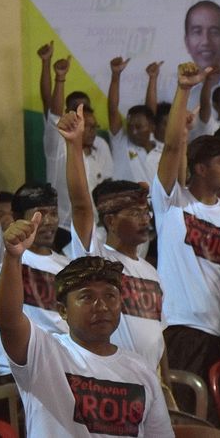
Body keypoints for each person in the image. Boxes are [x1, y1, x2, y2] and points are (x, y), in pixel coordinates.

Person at [0, 216, 173, 437]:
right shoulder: (44, 353)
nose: (102, 306)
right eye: (87, 297)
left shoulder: (142, 370)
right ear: (63, 311)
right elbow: (8, 320)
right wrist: (12, 258)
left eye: (110, 296)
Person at [153, 62, 220, 419]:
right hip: (183, 328)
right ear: (199, 167)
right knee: (188, 424)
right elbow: (170, 151)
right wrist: (184, 89)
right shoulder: (173, 205)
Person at [0, 113, 70, 385]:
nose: (49, 221)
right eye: (40, 213)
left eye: (53, 213)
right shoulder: (3, 254)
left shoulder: (67, 266)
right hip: (12, 372)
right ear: (19, 217)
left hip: (60, 370)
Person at [59, 105, 166, 372]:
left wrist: (166, 387)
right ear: (110, 221)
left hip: (148, 381)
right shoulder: (96, 259)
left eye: (145, 213)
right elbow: (82, 205)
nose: (146, 219)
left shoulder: (150, 271)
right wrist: (74, 145)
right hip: (107, 377)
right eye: (134, 213)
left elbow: (158, 338)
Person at [41, 47, 113, 246]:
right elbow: (53, 113)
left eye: (93, 127)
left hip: (96, 230)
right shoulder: (59, 146)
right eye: (85, 126)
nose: (90, 131)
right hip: (64, 229)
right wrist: (60, 78)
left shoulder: (100, 147)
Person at [106, 56, 163, 186]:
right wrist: (116, 75)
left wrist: (153, 78)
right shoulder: (121, 142)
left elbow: (150, 111)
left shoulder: (162, 150)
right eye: (130, 126)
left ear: (152, 127)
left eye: (138, 126)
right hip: (125, 205)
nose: (133, 131)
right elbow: (112, 109)